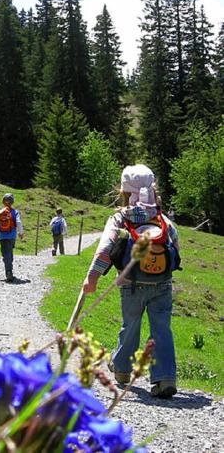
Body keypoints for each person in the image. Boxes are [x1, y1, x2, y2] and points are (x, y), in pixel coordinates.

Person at [81, 164, 180, 398]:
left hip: (131, 283)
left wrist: (92, 277)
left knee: (131, 324)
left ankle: (123, 370)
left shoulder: (120, 218)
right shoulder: (162, 218)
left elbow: (105, 248)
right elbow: (175, 247)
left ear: (124, 191)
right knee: (161, 329)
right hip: (162, 284)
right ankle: (165, 378)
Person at [0, 193, 24, 282]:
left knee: (5, 254)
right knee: (9, 252)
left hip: (2, 236)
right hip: (12, 236)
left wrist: (0, 228)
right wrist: (21, 233)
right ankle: (9, 271)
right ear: (12, 202)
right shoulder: (14, 212)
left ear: (3, 202)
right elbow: (19, 223)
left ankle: (8, 271)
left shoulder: (0, 212)